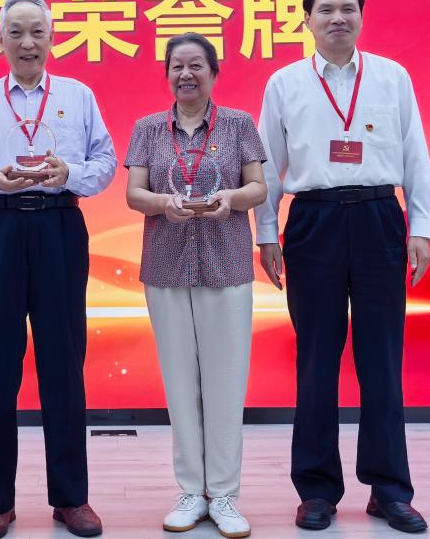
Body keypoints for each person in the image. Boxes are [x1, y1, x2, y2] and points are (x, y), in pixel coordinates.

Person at [255, 0, 430, 534]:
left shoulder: (392, 76)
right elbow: (267, 166)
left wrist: (421, 227)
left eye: (348, 8)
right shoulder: (284, 83)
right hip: (315, 221)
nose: (338, 18)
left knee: (382, 359)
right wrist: (267, 234)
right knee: (316, 360)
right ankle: (316, 490)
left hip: (380, 217)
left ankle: (390, 489)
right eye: (326, 9)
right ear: (307, 20)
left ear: (362, 16)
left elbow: (416, 153)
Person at [0, 0, 116, 539]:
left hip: (60, 227)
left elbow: (106, 162)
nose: (27, 42)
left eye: (37, 31)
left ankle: (71, 498)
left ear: (52, 38)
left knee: (63, 362)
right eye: (15, 32)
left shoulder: (78, 95)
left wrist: (69, 174)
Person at [124, 33, 267, 539]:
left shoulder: (239, 124)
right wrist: (165, 204)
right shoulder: (147, 128)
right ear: (167, 74)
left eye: (196, 65)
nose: (186, 74)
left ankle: (224, 495)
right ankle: (190, 491)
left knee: (226, 383)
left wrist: (232, 197)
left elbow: (258, 187)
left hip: (226, 264)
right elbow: (134, 194)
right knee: (180, 385)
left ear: (214, 72)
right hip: (166, 266)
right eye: (177, 66)